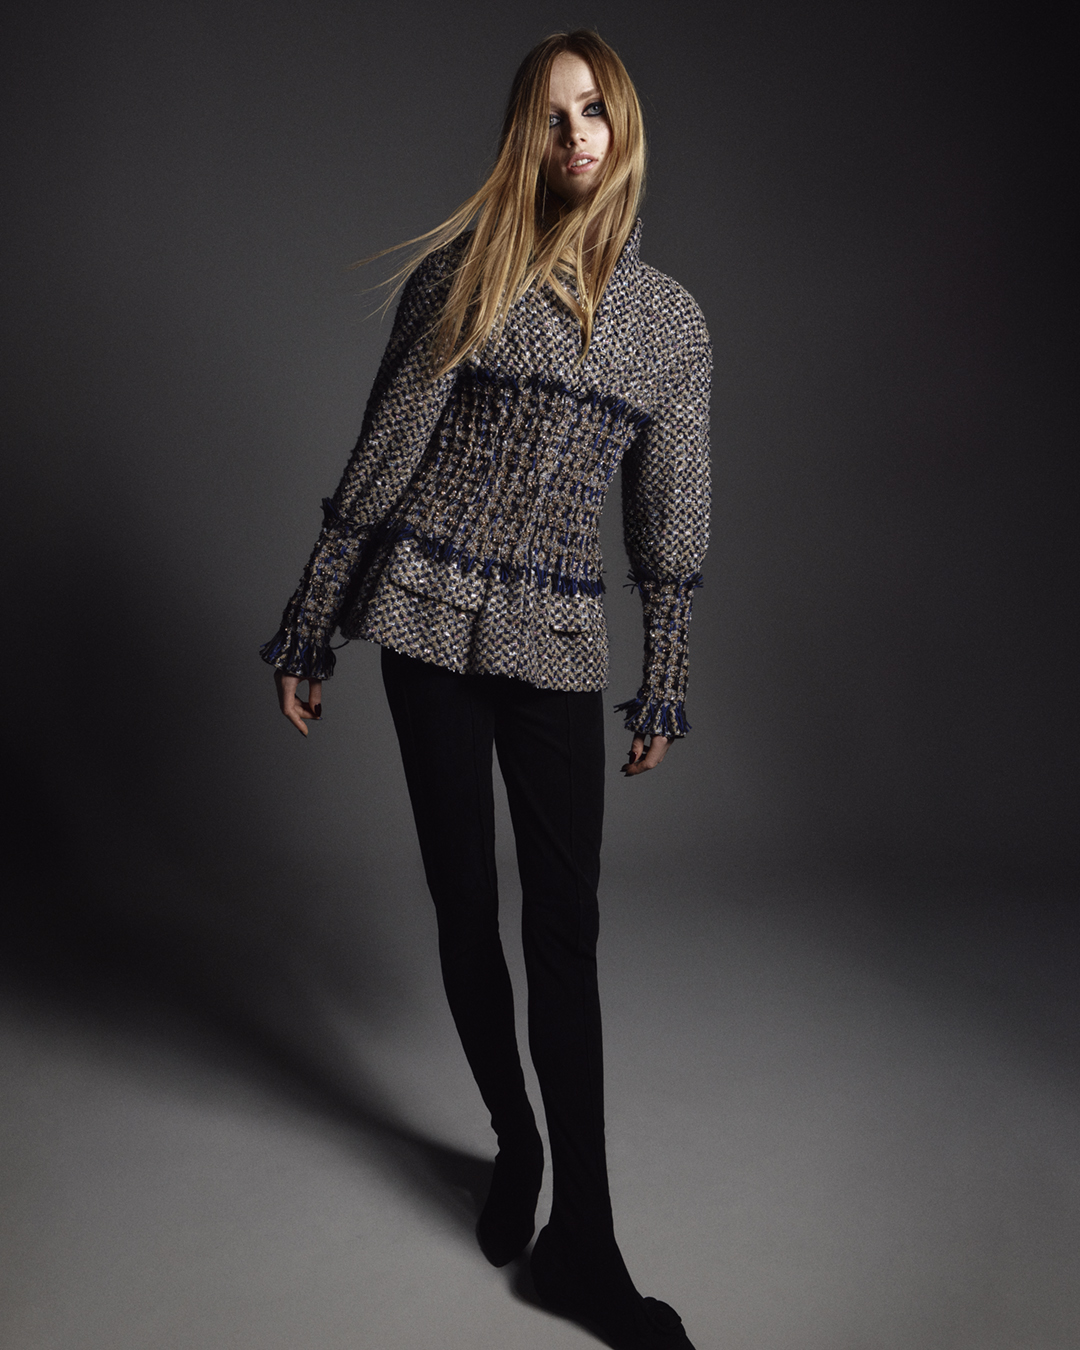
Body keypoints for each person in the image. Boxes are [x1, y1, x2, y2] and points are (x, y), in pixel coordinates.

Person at [261, 29, 709, 1350]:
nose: (576, 134)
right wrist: (312, 623)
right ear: (525, 134)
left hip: (557, 640)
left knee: (564, 931)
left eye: (596, 110)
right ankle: (516, 1139)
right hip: (424, 621)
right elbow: (383, 457)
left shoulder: (669, 323)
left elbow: (670, 512)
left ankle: (588, 1241)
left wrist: (663, 673)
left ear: (624, 128)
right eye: (553, 113)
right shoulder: (464, 278)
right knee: (465, 905)